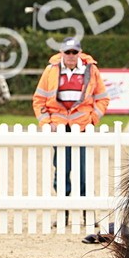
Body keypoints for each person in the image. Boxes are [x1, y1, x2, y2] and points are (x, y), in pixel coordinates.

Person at [32, 37, 110, 200]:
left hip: (82, 127)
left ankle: (86, 209)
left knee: (83, 170)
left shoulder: (91, 70)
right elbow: (39, 99)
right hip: (59, 128)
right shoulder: (50, 70)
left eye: (74, 52)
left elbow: (102, 98)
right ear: (61, 53)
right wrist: (47, 122)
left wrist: (93, 118)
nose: (71, 55)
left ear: (80, 53)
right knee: (61, 169)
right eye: (68, 52)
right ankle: (63, 209)